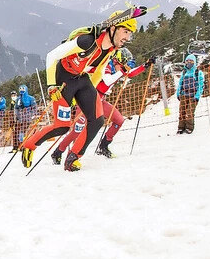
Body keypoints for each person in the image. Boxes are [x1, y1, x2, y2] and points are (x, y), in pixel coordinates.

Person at [21, 10, 136, 172]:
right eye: (125, 31)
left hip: (81, 79)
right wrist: (51, 85)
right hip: (62, 79)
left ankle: (73, 158)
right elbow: (52, 56)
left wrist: (88, 97)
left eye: (130, 34)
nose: (127, 37)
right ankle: (29, 145)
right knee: (62, 127)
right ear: (112, 29)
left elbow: (98, 72)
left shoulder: (110, 50)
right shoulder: (87, 41)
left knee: (97, 120)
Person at [52, 49, 154, 162]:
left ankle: (104, 146)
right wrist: (123, 70)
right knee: (77, 131)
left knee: (119, 120)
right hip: (86, 101)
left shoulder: (118, 69)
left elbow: (129, 73)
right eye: (123, 66)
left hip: (100, 100)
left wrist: (145, 65)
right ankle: (58, 152)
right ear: (116, 61)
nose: (123, 69)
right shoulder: (107, 66)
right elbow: (107, 80)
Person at [176, 54, 204, 134]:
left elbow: (201, 85)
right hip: (184, 94)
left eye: (191, 61)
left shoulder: (198, 73)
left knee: (189, 112)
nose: (189, 63)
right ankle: (181, 127)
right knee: (182, 111)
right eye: (187, 61)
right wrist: (178, 93)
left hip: (193, 95)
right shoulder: (184, 72)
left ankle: (189, 127)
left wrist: (197, 96)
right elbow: (180, 83)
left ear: (194, 62)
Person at [11, 85, 37, 153]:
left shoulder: (30, 98)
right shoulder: (18, 99)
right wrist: (16, 115)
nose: (21, 91)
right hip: (19, 118)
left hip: (27, 118)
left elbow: (34, 108)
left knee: (22, 131)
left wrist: (31, 114)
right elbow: (16, 108)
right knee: (16, 131)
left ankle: (22, 145)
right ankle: (16, 146)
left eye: (23, 89)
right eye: (20, 89)